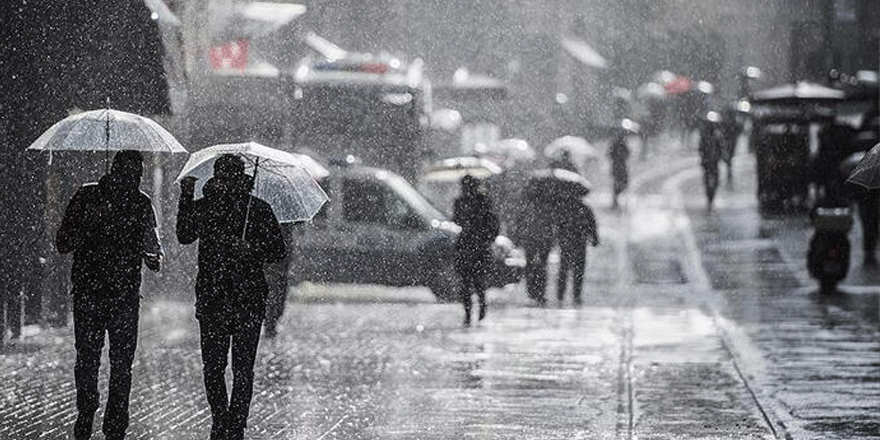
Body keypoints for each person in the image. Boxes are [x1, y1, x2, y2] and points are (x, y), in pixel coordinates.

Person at [176, 154, 286, 440]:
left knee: (242, 367)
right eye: (222, 177)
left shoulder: (258, 210)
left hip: (247, 297)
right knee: (214, 366)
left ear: (242, 178)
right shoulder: (206, 207)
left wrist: (250, 249)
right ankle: (220, 417)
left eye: (232, 177)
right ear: (216, 178)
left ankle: (236, 422)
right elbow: (185, 235)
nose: (227, 183)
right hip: (213, 296)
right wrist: (186, 196)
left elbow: (277, 251)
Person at [55, 150, 163, 440]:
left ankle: (116, 421)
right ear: (114, 170)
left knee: (122, 363)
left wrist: (152, 257)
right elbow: (63, 242)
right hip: (89, 293)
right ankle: (87, 409)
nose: (132, 180)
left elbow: (154, 250)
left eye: (137, 175)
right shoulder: (87, 196)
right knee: (87, 358)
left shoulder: (142, 204)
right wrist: (91, 220)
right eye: (128, 173)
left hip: (125, 296)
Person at [452, 175, 499, 326]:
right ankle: (469, 312)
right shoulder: (461, 202)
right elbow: (456, 220)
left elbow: (492, 224)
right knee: (467, 283)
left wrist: (484, 235)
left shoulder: (483, 201)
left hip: (476, 246)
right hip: (468, 246)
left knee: (476, 282)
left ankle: (480, 307)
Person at [554, 197, 599, 304]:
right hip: (579, 243)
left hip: (567, 243)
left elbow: (558, 225)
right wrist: (594, 238)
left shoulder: (564, 208)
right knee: (578, 270)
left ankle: (560, 294)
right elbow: (592, 225)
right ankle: (576, 295)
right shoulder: (585, 208)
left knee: (564, 269)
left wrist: (559, 238)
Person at [699, 113, 723, 210]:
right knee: (708, 180)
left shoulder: (717, 136)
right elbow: (701, 149)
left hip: (714, 162)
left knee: (715, 180)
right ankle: (709, 196)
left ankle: (711, 196)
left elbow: (721, 149)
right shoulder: (705, 136)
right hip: (708, 163)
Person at [609, 127, 631, 209]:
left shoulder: (622, 144)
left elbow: (627, 154)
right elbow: (610, 154)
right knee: (618, 183)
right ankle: (616, 200)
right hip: (618, 166)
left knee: (621, 183)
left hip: (620, 166)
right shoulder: (616, 144)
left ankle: (616, 199)